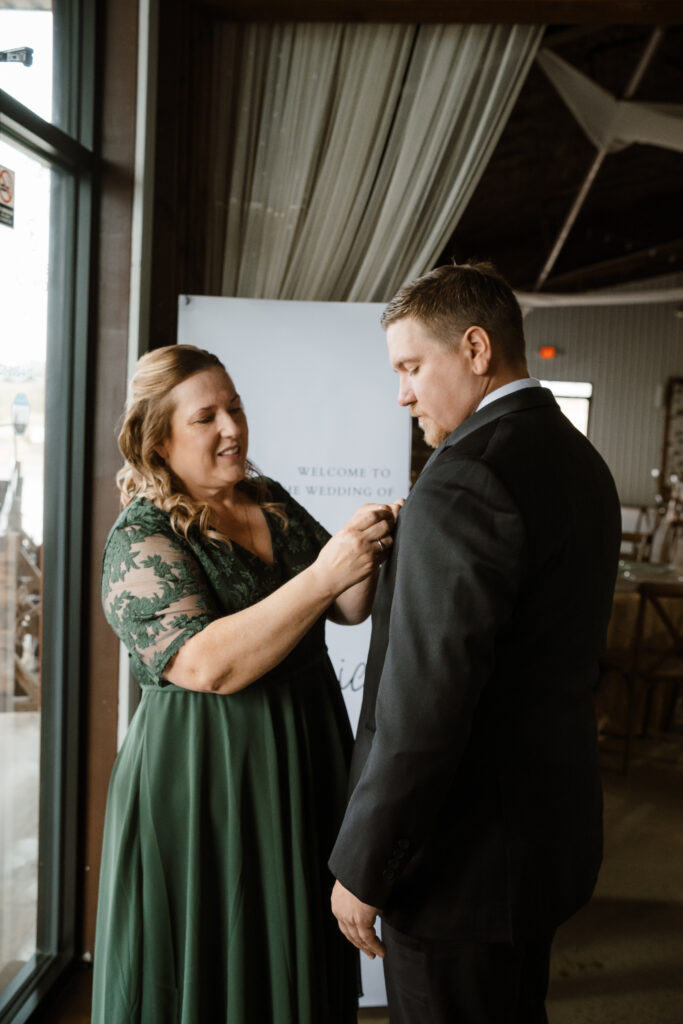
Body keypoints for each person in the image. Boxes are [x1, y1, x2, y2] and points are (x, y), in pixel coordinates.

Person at [329, 261, 621, 1023]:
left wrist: (364, 866)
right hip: (542, 838)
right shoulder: (579, 460)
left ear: (476, 348)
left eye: (411, 366)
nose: (402, 393)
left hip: (460, 867)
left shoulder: (461, 478)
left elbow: (422, 708)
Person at [92, 344, 398, 1023]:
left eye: (235, 408)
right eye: (206, 417)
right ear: (159, 437)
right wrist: (323, 573)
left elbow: (349, 607)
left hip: (303, 757)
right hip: (205, 782)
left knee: (293, 961)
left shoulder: (268, 501)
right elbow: (208, 665)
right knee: (213, 962)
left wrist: (360, 543)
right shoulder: (141, 540)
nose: (232, 428)